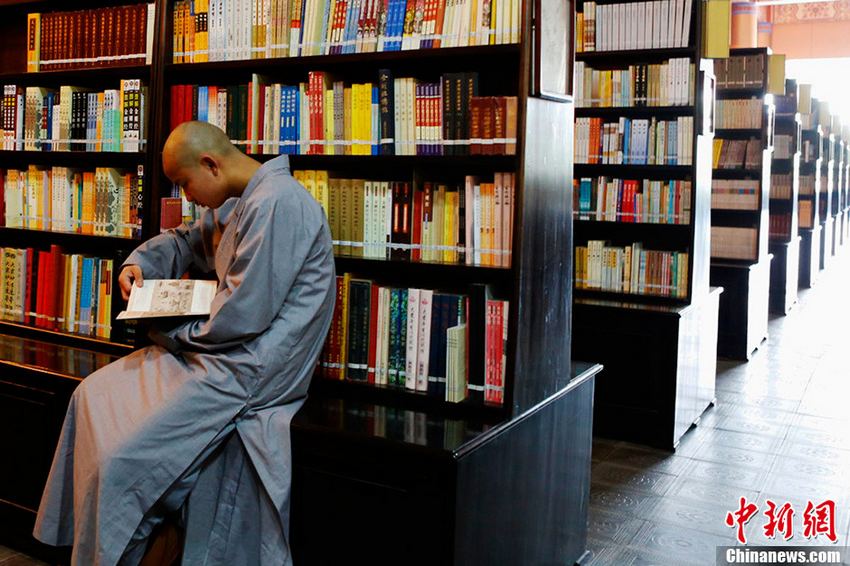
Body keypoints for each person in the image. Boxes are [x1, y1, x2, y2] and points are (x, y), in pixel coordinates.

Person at [33, 121, 336, 565]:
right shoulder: (243, 200)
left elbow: (242, 316)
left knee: (120, 460)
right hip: (217, 351)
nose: (187, 197)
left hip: (250, 368)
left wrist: (168, 332)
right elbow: (186, 240)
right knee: (91, 396)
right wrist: (140, 265)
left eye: (185, 183)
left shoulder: (279, 203)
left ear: (210, 164)